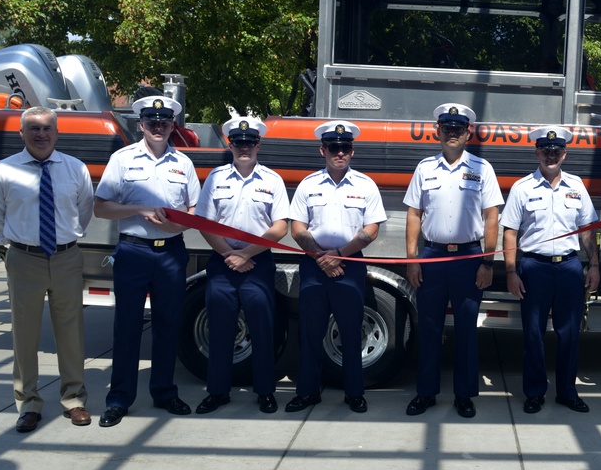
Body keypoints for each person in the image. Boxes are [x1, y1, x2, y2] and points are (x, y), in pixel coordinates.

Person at [0, 106, 94, 432]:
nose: (41, 134)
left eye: (47, 128)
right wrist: (17, 242)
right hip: (24, 259)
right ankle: (28, 404)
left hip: (66, 258)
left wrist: (63, 241)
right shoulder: (4, 171)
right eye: (33, 128)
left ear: (57, 133)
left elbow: (84, 211)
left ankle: (74, 400)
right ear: (22, 133)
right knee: (25, 334)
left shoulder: (75, 169)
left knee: (71, 333)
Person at [94, 95, 201, 427]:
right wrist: (138, 209)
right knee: (126, 326)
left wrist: (175, 223)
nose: (158, 128)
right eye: (152, 123)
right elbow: (101, 207)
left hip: (170, 252)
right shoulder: (123, 160)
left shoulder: (182, 163)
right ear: (140, 125)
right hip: (133, 251)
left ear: (173, 126)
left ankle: (165, 392)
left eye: (164, 123)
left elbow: (195, 211)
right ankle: (119, 399)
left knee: (168, 325)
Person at [404, 103, 503, 419]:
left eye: (458, 128)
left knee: (466, 329)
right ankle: (426, 393)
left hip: (469, 259)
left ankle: (464, 395)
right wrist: (412, 259)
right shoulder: (424, 169)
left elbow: (491, 218)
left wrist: (487, 263)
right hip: (431, 256)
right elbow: (414, 214)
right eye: (447, 128)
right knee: (430, 327)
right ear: (438, 131)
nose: (452, 133)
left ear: (468, 132)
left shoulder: (481, 169)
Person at [287, 120, 386, 413]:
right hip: (314, 267)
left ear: (352, 151)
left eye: (344, 148)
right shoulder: (308, 185)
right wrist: (322, 258)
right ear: (323, 150)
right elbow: (297, 229)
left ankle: (354, 393)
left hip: (350, 268)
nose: (339, 152)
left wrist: (339, 255)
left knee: (351, 331)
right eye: (333, 147)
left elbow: (372, 230)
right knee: (310, 332)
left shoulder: (365, 185)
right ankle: (307, 393)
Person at [500, 126, 600, 414]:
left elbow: (588, 230)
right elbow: (510, 233)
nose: (551, 155)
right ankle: (534, 392)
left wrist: (593, 265)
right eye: (545, 150)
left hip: (569, 267)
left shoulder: (576, 186)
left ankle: (567, 392)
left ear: (564, 154)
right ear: (537, 152)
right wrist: (510, 271)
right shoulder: (522, 188)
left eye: (556, 151)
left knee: (569, 334)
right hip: (534, 268)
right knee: (533, 334)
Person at [194, 117, 289, 415]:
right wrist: (228, 254)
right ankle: (217, 391)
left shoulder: (272, 180)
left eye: (249, 142)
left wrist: (246, 254)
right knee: (221, 329)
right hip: (223, 263)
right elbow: (204, 223)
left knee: (263, 329)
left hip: (257, 263)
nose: (244, 147)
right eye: (238, 143)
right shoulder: (216, 178)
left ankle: (265, 392)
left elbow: (280, 227)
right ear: (229, 144)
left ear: (258, 144)